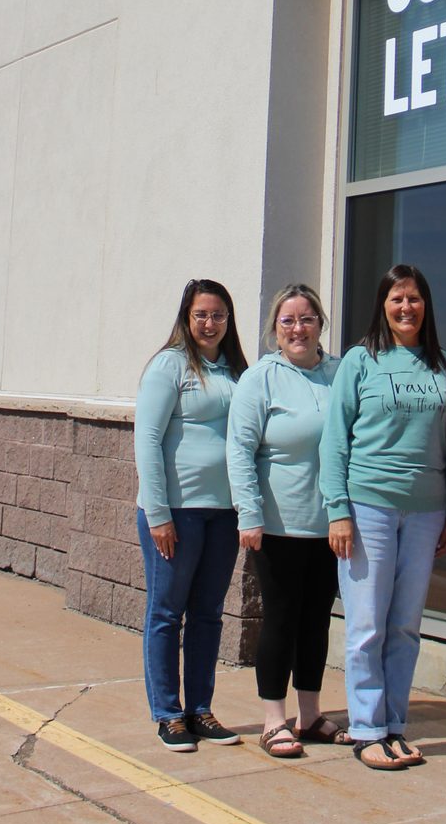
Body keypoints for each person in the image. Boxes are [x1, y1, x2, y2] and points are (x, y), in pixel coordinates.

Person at [320, 263, 446, 772]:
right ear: (383, 305)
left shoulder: (443, 364)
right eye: (397, 299)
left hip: (426, 511)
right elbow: (334, 441)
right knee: (365, 623)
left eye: (415, 299)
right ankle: (366, 728)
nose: (407, 308)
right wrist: (338, 511)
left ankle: (394, 724)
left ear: (427, 306)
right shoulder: (361, 361)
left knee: (404, 625)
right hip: (368, 507)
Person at [226, 283, 349, 759]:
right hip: (277, 525)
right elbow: (239, 450)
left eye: (307, 319)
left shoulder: (339, 373)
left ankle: (311, 713)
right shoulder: (260, 378)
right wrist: (249, 514)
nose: (298, 328)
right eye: (288, 321)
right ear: (275, 331)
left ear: (320, 324)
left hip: (331, 526)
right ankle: (274, 719)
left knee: (316, 622)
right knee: (279, 620)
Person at [133, 278, 248, 752]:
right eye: (201, 314)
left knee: (207, 615)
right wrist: (158, 514)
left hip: (222, 514)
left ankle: (199, 708)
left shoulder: (237, 371)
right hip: (176, 513)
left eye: (218, 314)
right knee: (166, 613)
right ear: (186, 317)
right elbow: (147, 440)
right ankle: (168, 713)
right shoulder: (170, 365)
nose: (209, 323)